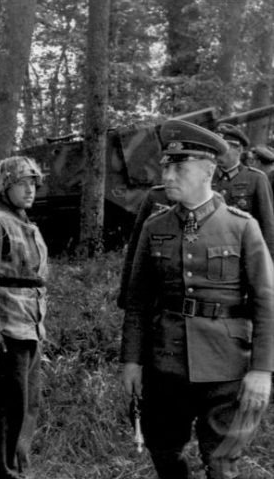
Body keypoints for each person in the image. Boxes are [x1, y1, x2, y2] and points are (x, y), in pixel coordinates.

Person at [121, 119, 274, 479]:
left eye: (179, 167)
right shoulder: (154, 226)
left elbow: (267, 304)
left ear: (208, 171)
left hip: (226, 365)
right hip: (166, 363)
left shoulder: (241, 226)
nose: (169, 175)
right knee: (162, 450)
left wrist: (262, 370)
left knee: (221, 462)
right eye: (166, 166)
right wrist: (131, 361)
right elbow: (138, 301)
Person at [0, 156, 48, 479]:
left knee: (27, 406)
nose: (30, 189)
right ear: (5, 186)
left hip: (32, 326)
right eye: (22, 183)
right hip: (8, 329)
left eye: (33, 183)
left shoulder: (28, 224)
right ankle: (0, 471)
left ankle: (18, 467)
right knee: (6, 409)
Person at [212, 123, 274, 258]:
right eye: (215, 149)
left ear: (239, 150)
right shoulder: (207, 177)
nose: (217, 155)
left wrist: (268, 263)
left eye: (223, 150)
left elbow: (267, 226)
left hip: (244, 255)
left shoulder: (256, 179)